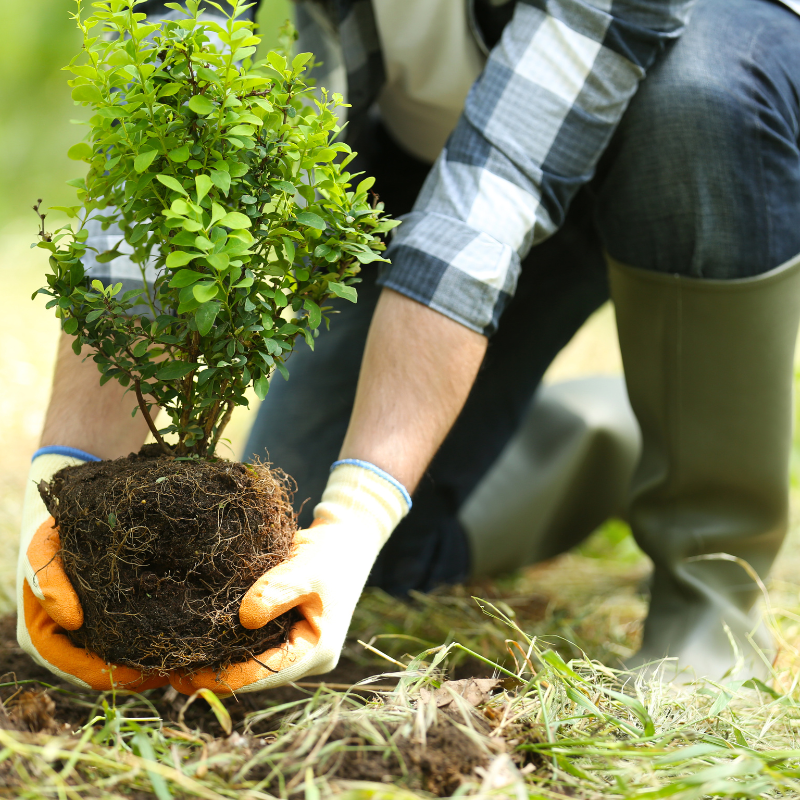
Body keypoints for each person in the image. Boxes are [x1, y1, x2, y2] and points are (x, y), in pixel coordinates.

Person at [18, 0, 800, 693]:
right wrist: (64, 483)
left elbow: (498, 184)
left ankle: (712, 582)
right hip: (428, 150)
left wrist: (360, 509)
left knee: (699, 97)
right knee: (320, 561)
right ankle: (616, 435)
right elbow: (168, 96)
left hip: (678, 132)